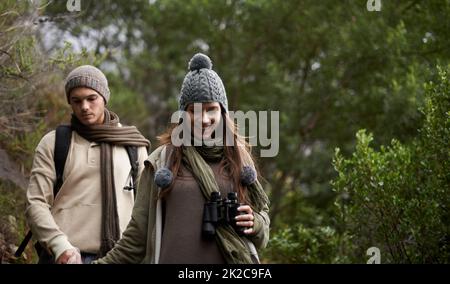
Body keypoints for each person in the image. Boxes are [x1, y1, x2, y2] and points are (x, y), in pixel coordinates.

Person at [95, 53, 270, 264]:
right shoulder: (162, 162)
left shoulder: (239, 159)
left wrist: (256, 223)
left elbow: (262, 222)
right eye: (194, 111)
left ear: (222, 111)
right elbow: (137, 237)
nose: (204, 119)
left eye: (211, 109)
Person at [24, 65, 150, 264]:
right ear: (70, 103)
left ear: (104, 98)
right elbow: (36, 204)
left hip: (121, 258)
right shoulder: (54, 143)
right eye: (77, 100)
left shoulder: (133, 144)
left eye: (91, 98)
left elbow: (146, 208)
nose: (84, 106)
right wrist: (59, 246)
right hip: (64, 257)